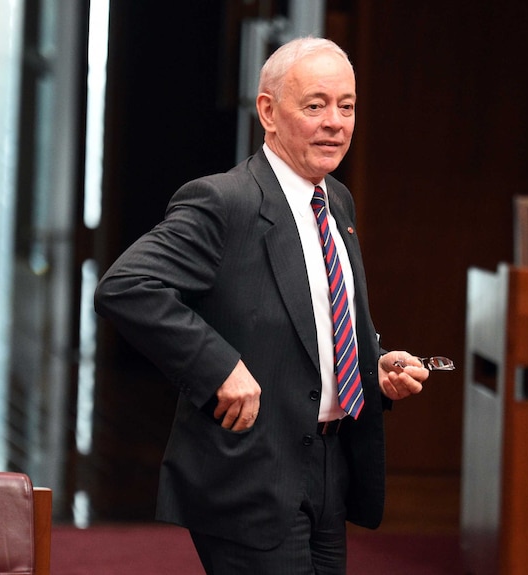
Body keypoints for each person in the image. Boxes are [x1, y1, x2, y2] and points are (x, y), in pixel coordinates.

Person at [94, 36, 429, 574]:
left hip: (329, 469)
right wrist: (218, 366)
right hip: (252, 474)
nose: (335, 123)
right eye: (315, 105)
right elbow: (127, 286)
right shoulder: (224, 201)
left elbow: (315, 311)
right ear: (268, 112)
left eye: (346, 107)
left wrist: (374, 359)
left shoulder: (335, 198)